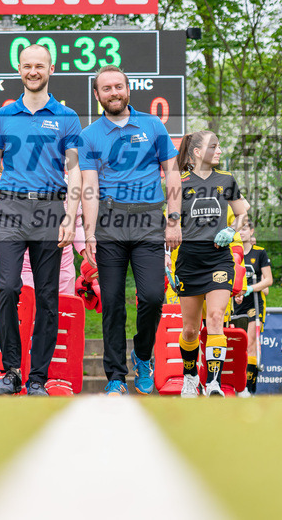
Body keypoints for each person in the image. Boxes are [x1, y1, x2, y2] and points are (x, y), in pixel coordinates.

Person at [0, 43, 82, 396]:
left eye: (39, 66)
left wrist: (71, 216)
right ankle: (12, 370)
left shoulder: (67, 116)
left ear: (51, 70)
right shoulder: (4, 116)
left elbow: (75, 170)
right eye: (27, 66)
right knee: (7, 288)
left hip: (51, 209)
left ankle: (37, 379)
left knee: (48, 297)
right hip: (10, 209)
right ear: (19, 70)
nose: (33, 71)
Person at [79, 65, 181, 395]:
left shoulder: (153, 125)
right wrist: (89, 232)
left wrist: (175, 218)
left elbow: (172, 172)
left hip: (149, 221)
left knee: (152, 296)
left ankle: (142, 355)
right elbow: (89, 187)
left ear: (127, 89)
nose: (113, 93)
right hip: (108, 224)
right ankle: (115, 377)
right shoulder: (88, 135)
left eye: (118, 86)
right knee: (111, 301)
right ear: (97, 95)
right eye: (106, 88)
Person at [171, 130, 249, 397]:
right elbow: (168, 225)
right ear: (196, 152)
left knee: (215, 318)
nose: (219, 150)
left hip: (219, 258)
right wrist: (164, 262)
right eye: (213, 146)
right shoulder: (178, 182)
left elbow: (242, 212)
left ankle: (213, 383)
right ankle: (190, 377)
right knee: (191, 329)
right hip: (189, 259)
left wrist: (231, 229)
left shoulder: (226, 179)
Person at [230, 219, 272, 397]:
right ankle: (236, 386)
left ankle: (249, 388)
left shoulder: (260, 253)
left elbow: (268, 280)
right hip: (234, 304)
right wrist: (236, 293)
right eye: (239, 229)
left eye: (245, 229)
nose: (242, 232)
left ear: (252, 231)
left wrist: (249, 289)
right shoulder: (231, 252)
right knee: (237, 345)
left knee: (251, 343)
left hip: (254, 303)